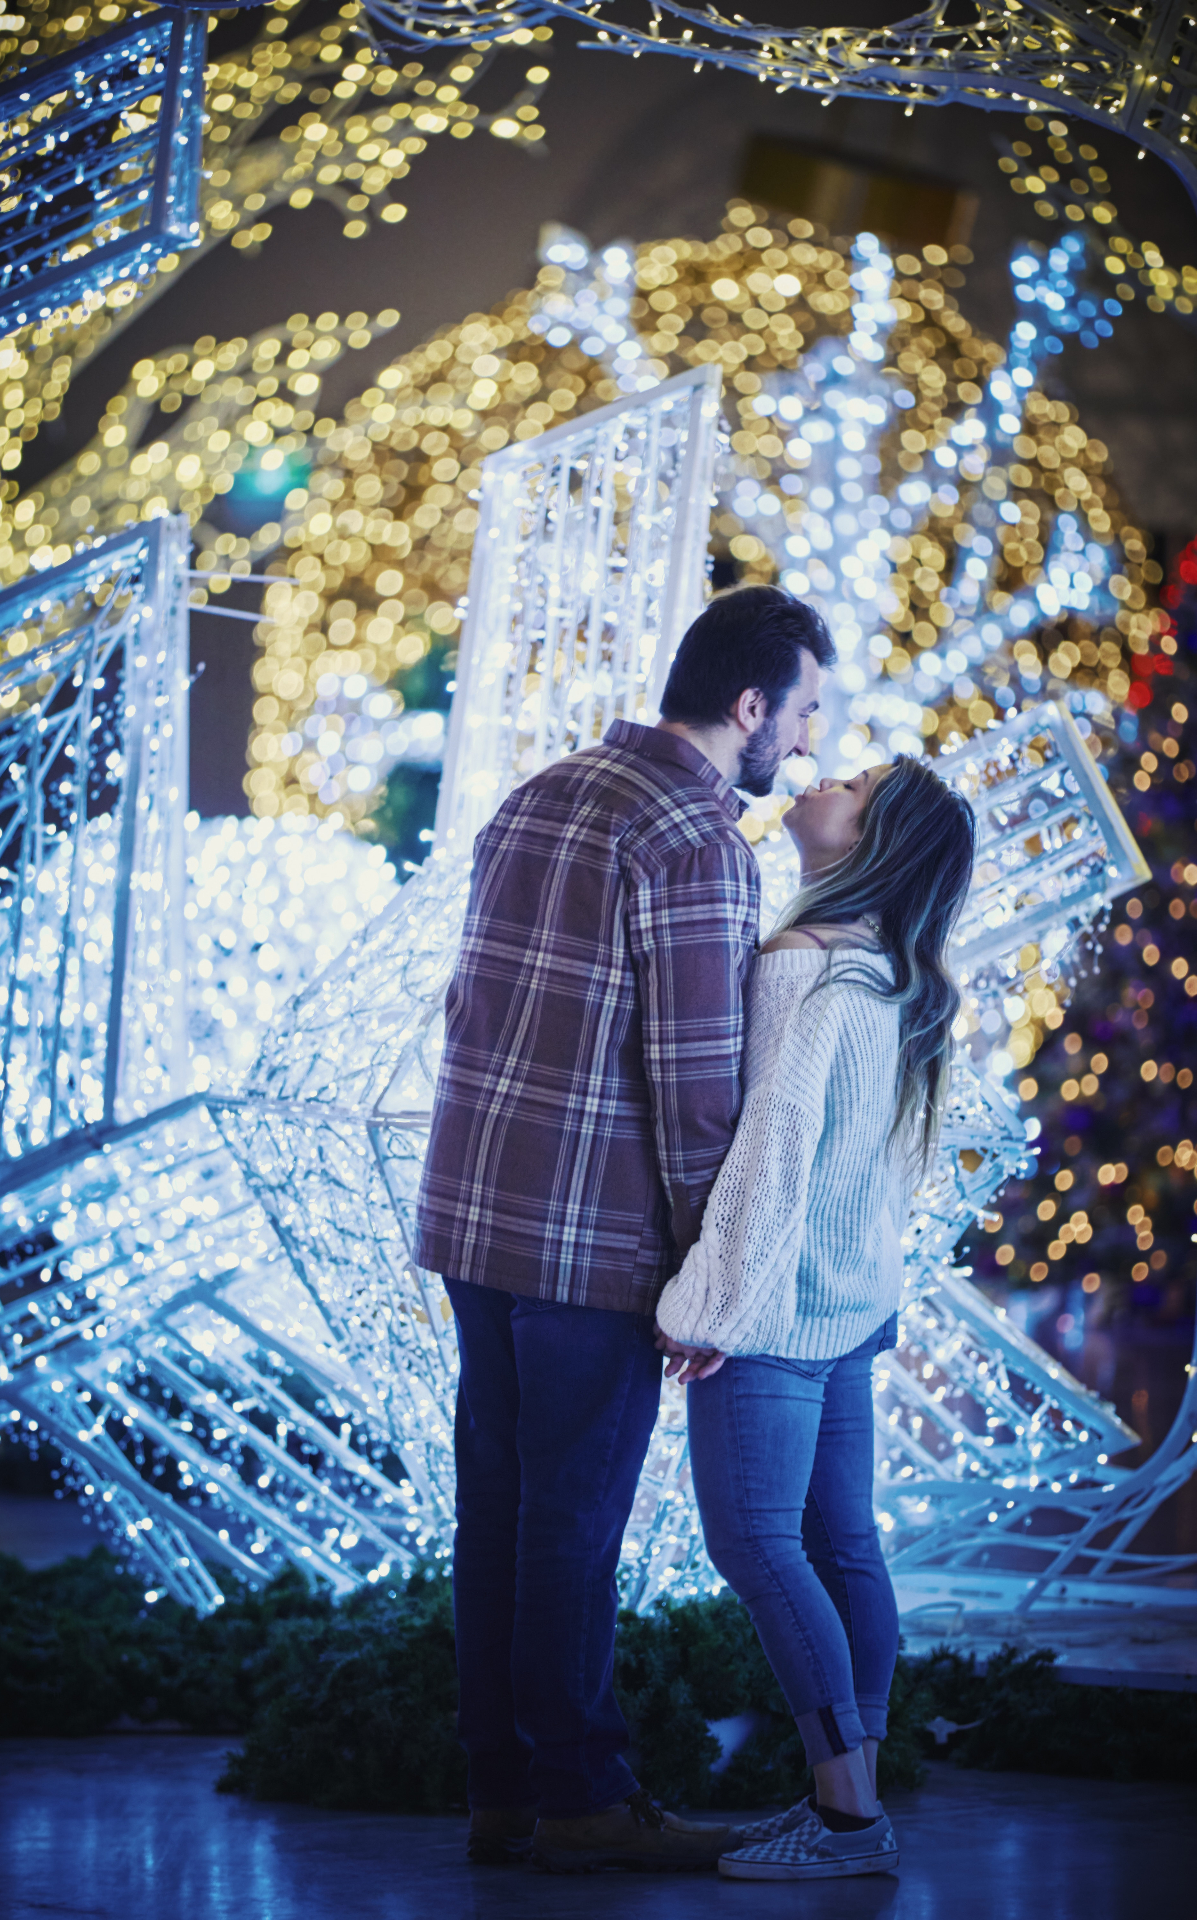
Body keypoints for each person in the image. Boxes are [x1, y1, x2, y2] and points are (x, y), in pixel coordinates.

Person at [414, 585, 836, 1873]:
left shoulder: (540, 792)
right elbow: (697, 1084)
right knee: (571, 1528)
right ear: (748, 704)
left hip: (477, 1226)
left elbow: (465, 1009)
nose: (807, 747)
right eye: (804, 713)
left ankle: (502, 1792)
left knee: (494, 1516)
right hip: (588, 1249)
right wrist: (714, 1277)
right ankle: (584, 1797)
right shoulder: (701, 840)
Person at [655, 753, 976, 1883]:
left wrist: (710, 1304)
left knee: (753, 1542)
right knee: (842, 1544)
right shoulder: (901, 975)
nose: (817, 778)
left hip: (781, 1313)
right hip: (848, 1308)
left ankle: (844, 1820)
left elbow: (770, 1153)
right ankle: (854, 1798)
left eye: (849, 784)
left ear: (866, 840)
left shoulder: (801, 963)